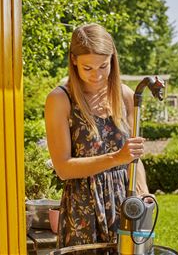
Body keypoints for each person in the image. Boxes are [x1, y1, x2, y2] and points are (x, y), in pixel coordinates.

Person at [45, 23, 149, 249]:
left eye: (103, 66)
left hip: (124, 202)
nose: (97, 76)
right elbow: (63, 168)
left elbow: (134, 157)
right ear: (74, 61)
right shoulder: (60, 99)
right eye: (88, 68)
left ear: (113, 59)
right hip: (83, 208)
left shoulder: (125, 96)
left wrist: (144, 193)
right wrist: (115, 158)